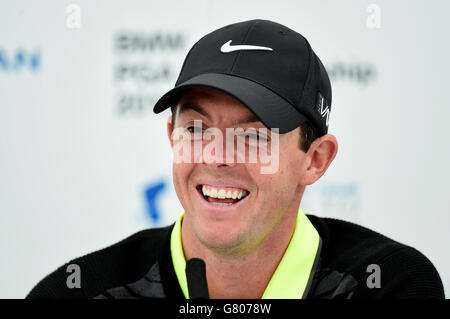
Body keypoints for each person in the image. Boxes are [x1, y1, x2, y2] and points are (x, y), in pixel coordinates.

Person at [27, 19, 444, 299]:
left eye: (251, 136)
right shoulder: (77, 292)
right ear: (172, 138)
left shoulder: (390, 284)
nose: (216, 156)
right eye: (196, 129)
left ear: (315, 160)